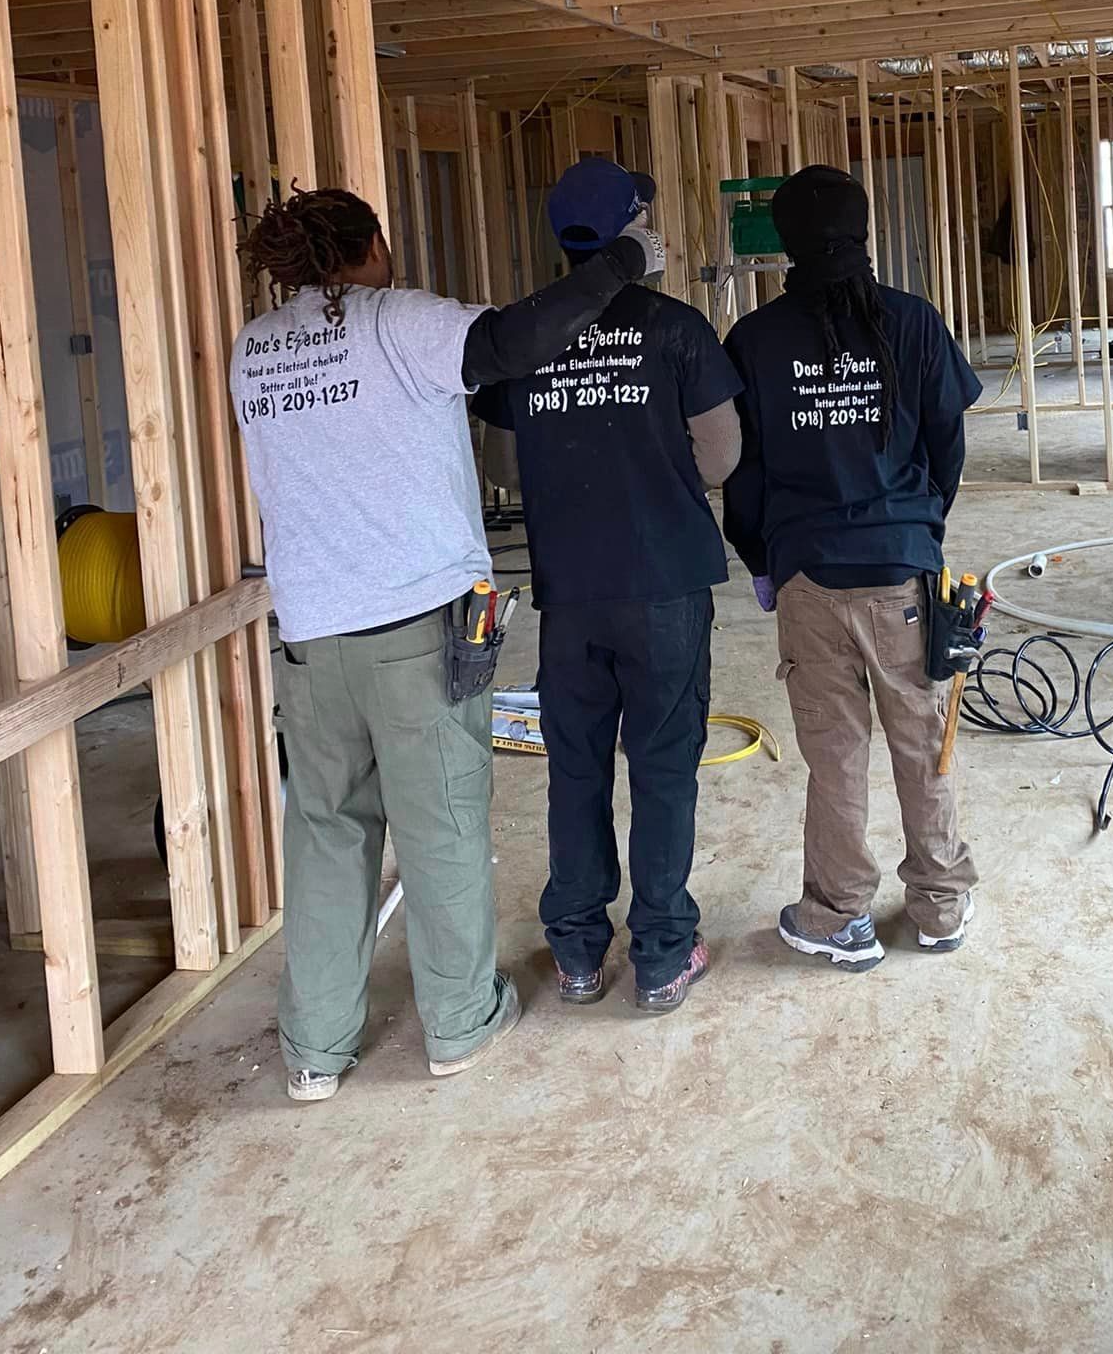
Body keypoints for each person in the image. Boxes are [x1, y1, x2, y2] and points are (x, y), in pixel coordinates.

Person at [228, 185, 664, 1102]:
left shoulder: (256, 351)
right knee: (443, 827)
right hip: (415, 633)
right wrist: (624, 261)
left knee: (326, 835)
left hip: (309, 639)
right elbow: (513, 340)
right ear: (373, 246)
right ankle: (460, 1020)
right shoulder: (400, 321)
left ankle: (314, 1048)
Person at [474, 159, 742, 1014]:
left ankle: (580, 954)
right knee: (665, 767)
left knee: (577, 769)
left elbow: (501, 459)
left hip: (570, 590)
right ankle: (662, 954)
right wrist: (660, 479)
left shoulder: (526, 337)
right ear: (636, 232)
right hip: (663, 582)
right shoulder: (675, 328)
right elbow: (723, 454)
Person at [722, 165, 981, 972]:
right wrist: (920, 527)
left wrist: (763, 559)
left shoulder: (757, 341)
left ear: (786, 243)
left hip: (809, 577)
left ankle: (838, 915)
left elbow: (744, 472)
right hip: (902, 570)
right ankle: (939, 905)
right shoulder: (909, 321)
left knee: (835, 753)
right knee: (923, 737)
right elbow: (948, 443)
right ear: (864, 230)